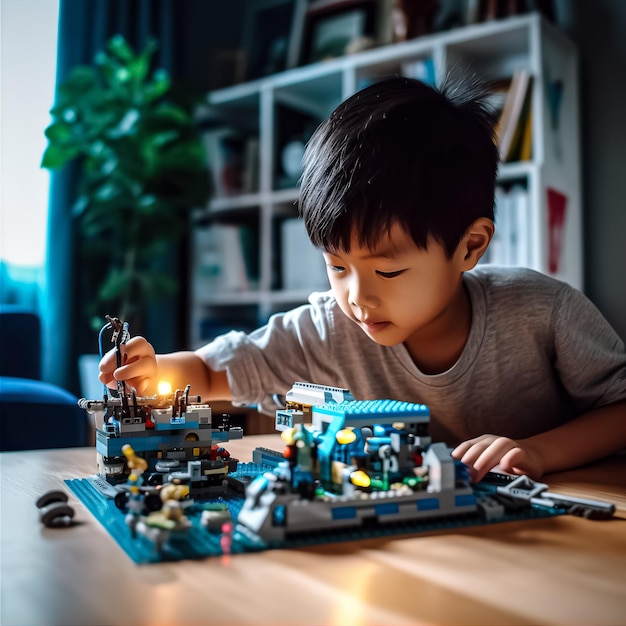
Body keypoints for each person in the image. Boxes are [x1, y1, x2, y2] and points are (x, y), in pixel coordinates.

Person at [99, 75, 626, 482]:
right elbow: (218, 373)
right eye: (336, 266)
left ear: (470, 246)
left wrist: (538, 451)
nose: (356, 296)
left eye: (388, 269)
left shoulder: (542, 310)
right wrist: (154, 370)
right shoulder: (328, 327)